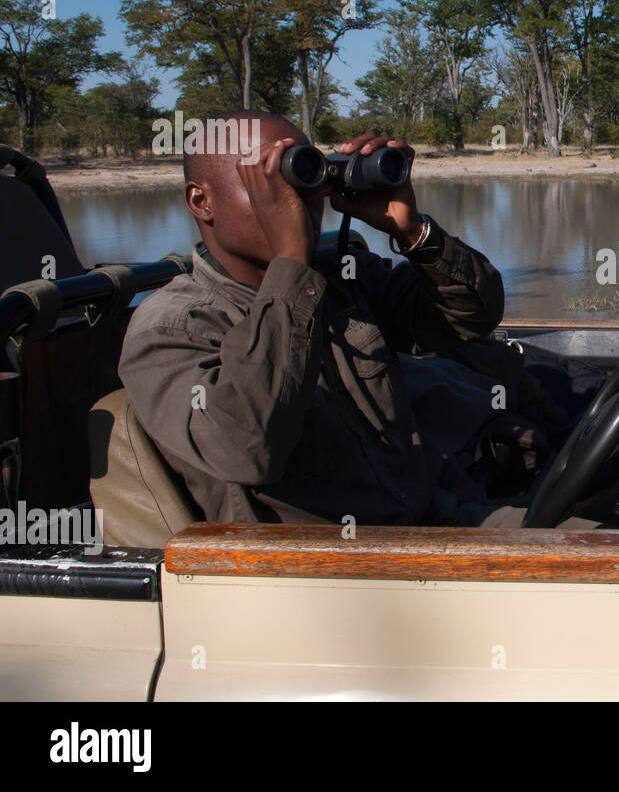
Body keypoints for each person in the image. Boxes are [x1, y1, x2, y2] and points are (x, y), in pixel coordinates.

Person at [118, 110, 583, 528]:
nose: (296, 202)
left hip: (438, 513)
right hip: (329, 571)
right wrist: (291, 264)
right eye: (266, 183)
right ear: (202, 202)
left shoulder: (341, 278)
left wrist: (413, 231)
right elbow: (248, 446)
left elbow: (470, 319)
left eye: (299, 176)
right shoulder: (171, 329)